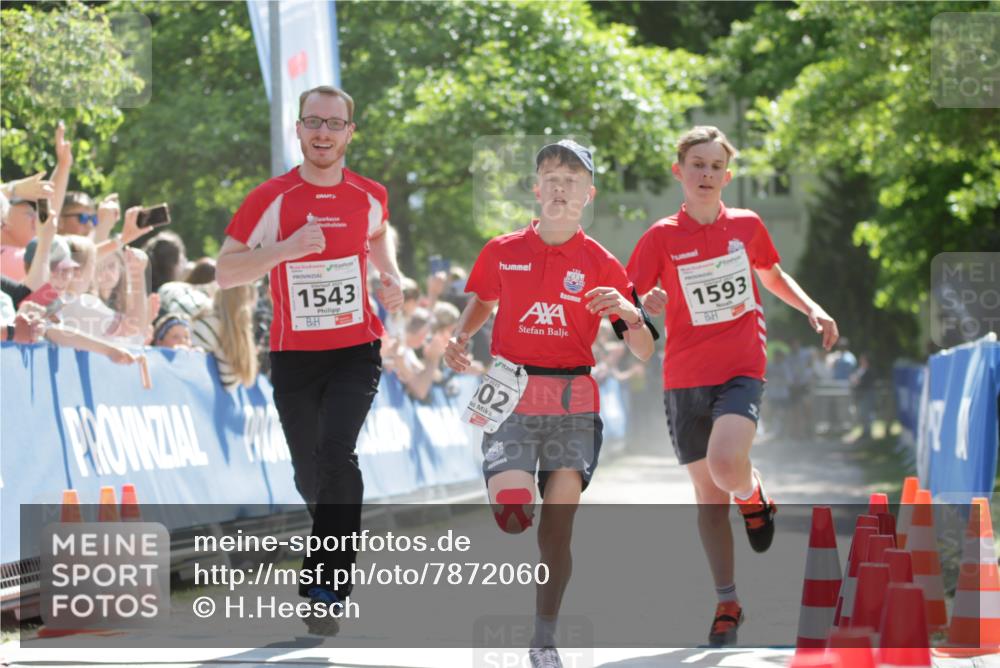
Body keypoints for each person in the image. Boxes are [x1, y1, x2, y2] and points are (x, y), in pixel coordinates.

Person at [445, 140, 654, 668]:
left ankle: (543, 639)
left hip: (573, 398)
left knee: (556, 530)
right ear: (537, 189)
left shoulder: (602, 262)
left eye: (572, 178)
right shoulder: (502, 250)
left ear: (589, 193)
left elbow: (644, 349)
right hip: (511, 392)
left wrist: (631, 313)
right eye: (551, 176)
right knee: (515, 514)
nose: (560, 186)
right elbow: (484, 299)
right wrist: (461, 334)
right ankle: (509, 482)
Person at [627, 126, 839, 646]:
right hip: (683, 375)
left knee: (726, 466)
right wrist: (643, 307)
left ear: (727, 174)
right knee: (706, 499)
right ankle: (728, 601)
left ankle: (754, 494)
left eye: (715, 166)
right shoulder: (659, 236)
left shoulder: (746, 225)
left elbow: (770, 274)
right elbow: (629, 299)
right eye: (696, 164)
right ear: (679, 171)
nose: (706, 174)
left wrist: (811, 307)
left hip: (742, 365)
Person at [215, 84, 403, 635]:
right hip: (294, 356)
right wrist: (287, 250)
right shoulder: (270, 198)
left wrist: (389, 276)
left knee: (336, 455)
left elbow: (378, 233)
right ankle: (331, 550)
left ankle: (326, 587)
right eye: (313, 122)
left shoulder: (370, 193)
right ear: (297, 130)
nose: (323, 132)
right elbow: (227, 271)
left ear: (349, 132)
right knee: (310, 473)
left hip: (356, 350)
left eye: (334, 124)